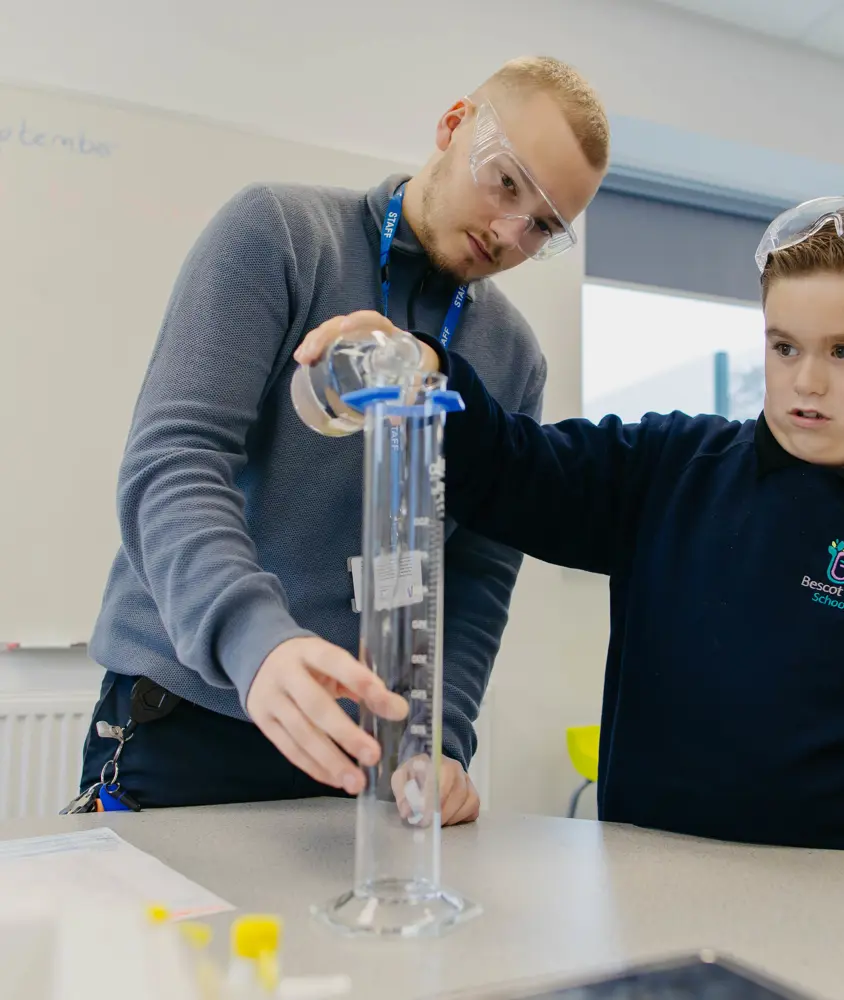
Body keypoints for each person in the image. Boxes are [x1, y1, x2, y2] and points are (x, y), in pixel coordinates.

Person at [297, 196, 844, 893]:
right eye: (784, 347)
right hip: (649, 889)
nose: (805, 382)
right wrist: (429, 370)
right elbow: (518, 470)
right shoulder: (672, 468)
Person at [78, 56, 609, 822]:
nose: (509, 232)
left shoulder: (512, 355)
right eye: (506, 183)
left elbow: (478, 571)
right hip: (187, 716)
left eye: (545, 227)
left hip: (358, 750)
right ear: (454, 124)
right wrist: (256, 642)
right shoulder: (281, 233)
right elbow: (174, 462)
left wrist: (439, 740)